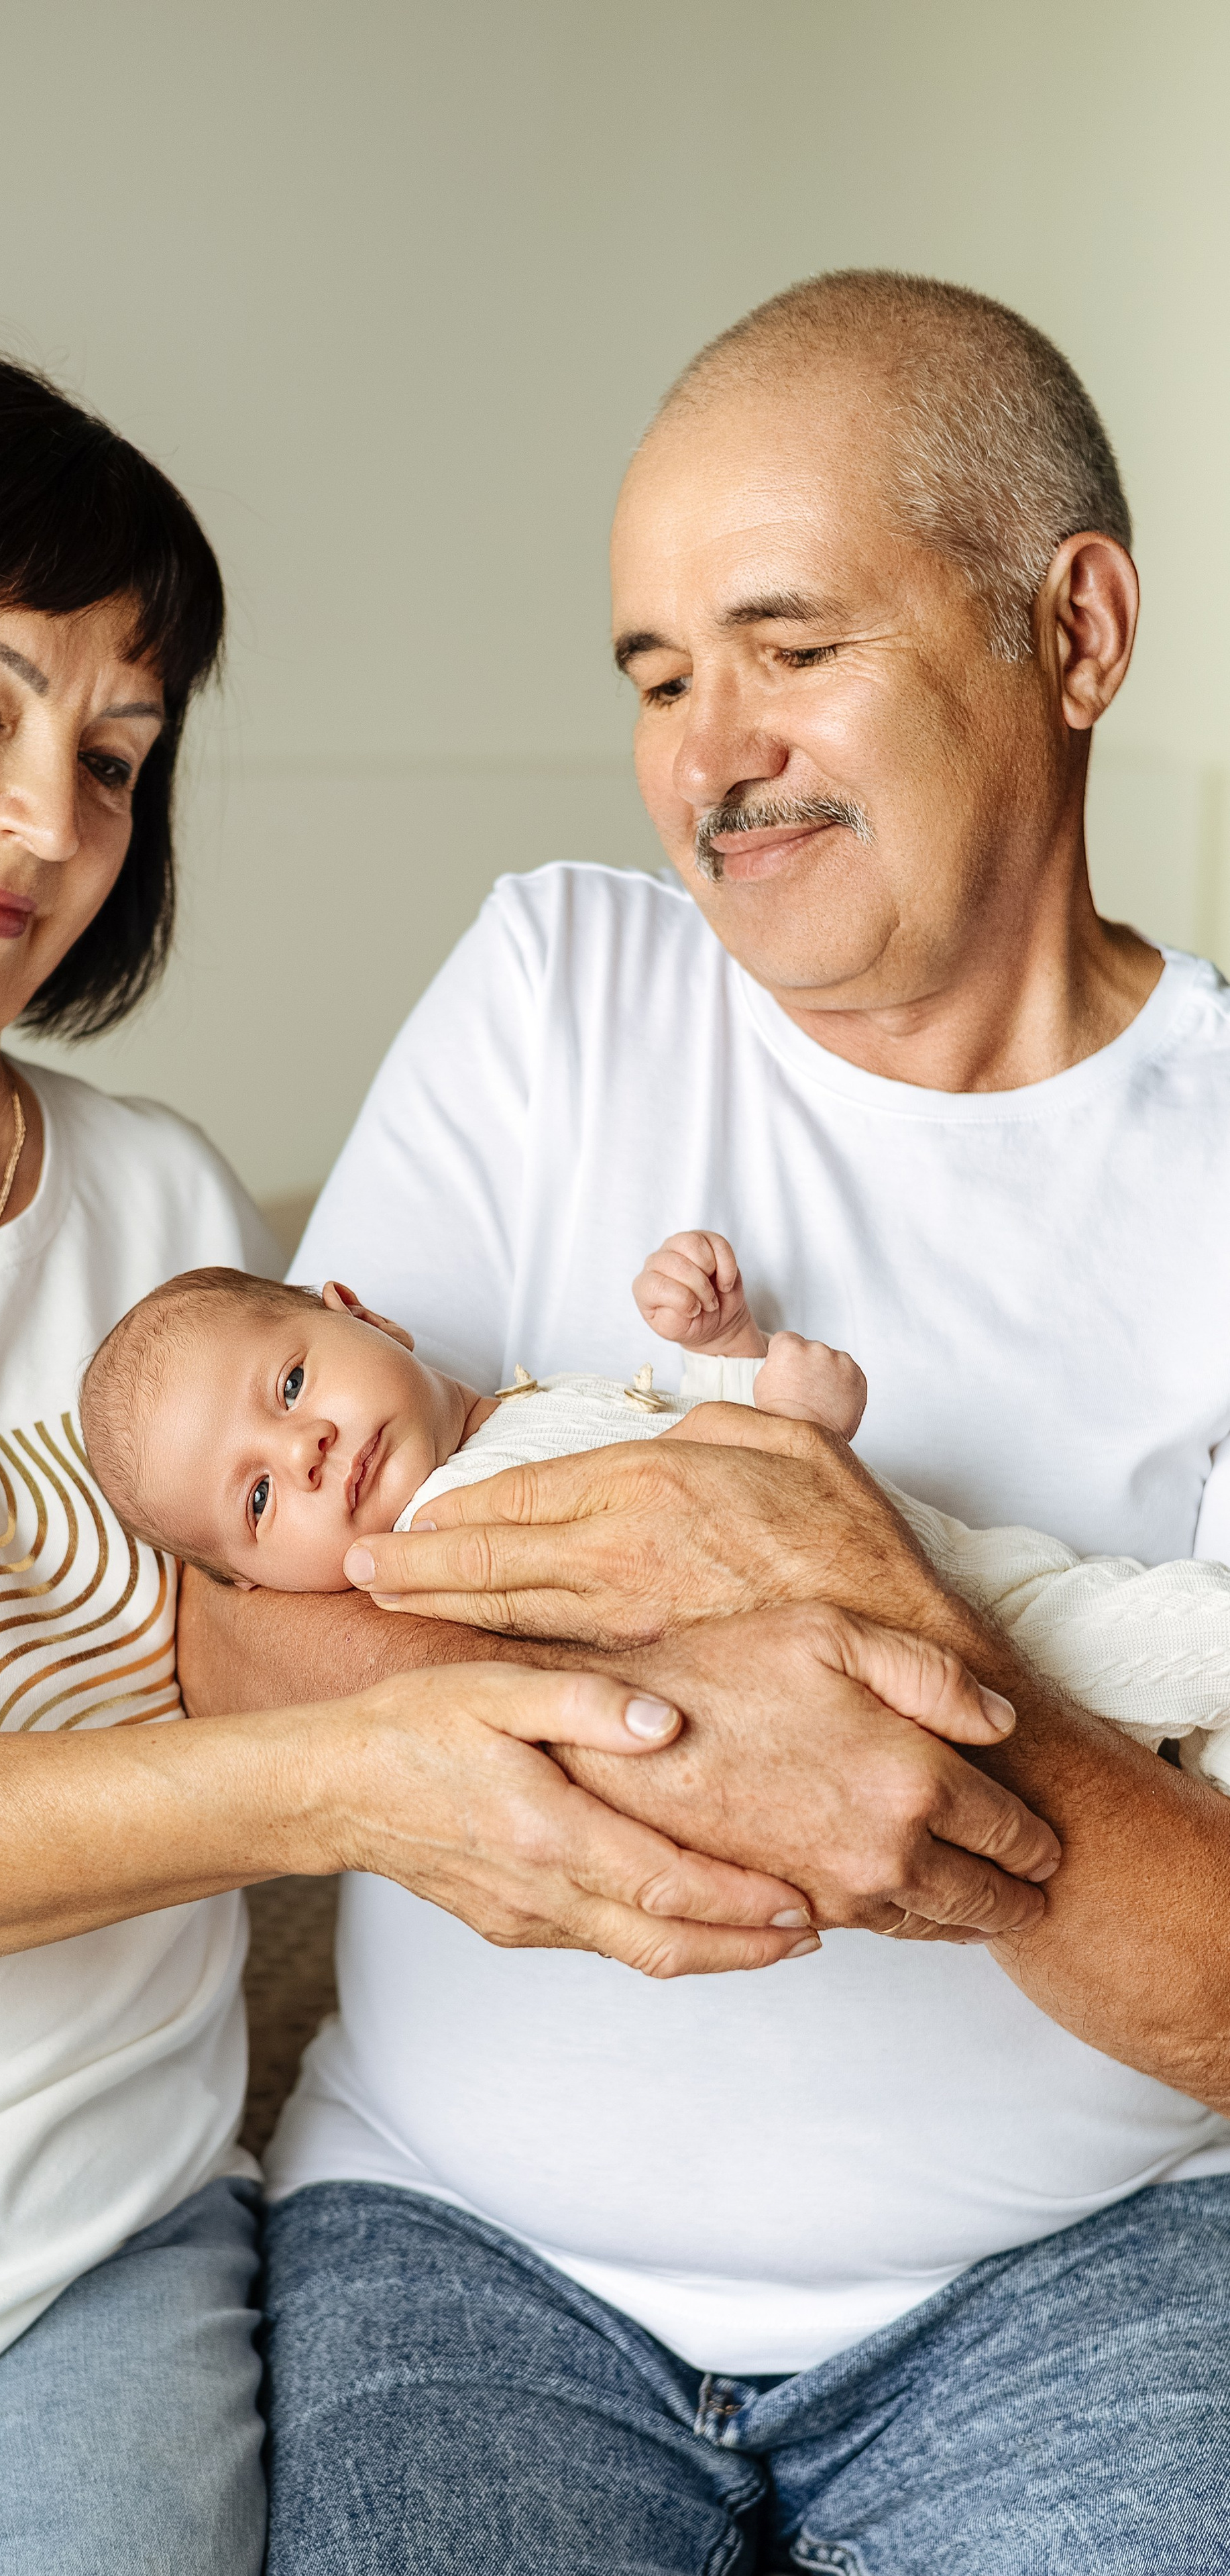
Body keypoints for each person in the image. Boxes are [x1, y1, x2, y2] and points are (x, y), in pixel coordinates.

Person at [0, 348, 878, 2576]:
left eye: (118, 757)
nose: (53, 825)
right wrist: (365, 1793)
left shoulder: (162, 1212)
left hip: (83, 2281)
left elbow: (290, 1650)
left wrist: (709, 1663)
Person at [178, 272, 1230, 2572]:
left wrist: (952, 1731)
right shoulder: (563, 984)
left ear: (1077, 630)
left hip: (1077, 2284)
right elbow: (240, 1641)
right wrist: (747, 1704)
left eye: (790, 643)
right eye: (657, 676)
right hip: (466, 2254)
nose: (707, 753)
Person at [79, 1257, 1230, 1772]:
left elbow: (679, 1474)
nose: (309, 1447)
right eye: (262, 1495)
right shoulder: (437, 1547)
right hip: (957, 1636)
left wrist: (729, 1357)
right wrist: (785, 1421)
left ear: (362, 1312)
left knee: (1146, 1662)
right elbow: (679, 1582)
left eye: (289, 1388)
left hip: (962, 1570)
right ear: (257, 1584)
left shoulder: (519, 1412)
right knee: (1171, 1640)